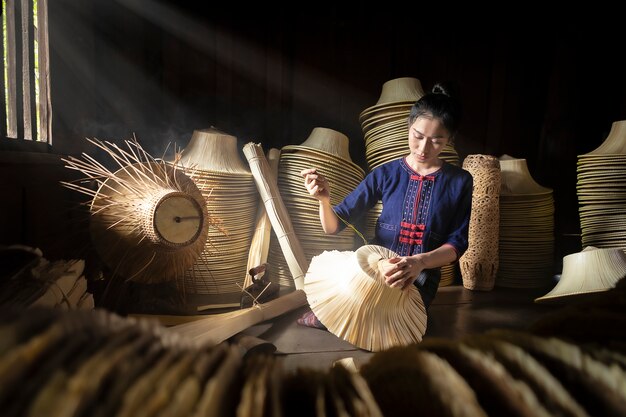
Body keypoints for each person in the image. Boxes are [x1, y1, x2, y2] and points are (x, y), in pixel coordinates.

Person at [298, 82, 473, 328]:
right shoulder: (386, 173)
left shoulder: (460, 181)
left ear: (450, 139)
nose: (423, 148)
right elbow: (333, 226)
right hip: (374, 268)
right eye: (418, 136)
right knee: (351, 318)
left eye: (436, 140)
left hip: (421, 278)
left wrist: (420, 262)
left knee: (393, 326)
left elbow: (457, 243)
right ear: (408, 127)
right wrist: (324, 200)